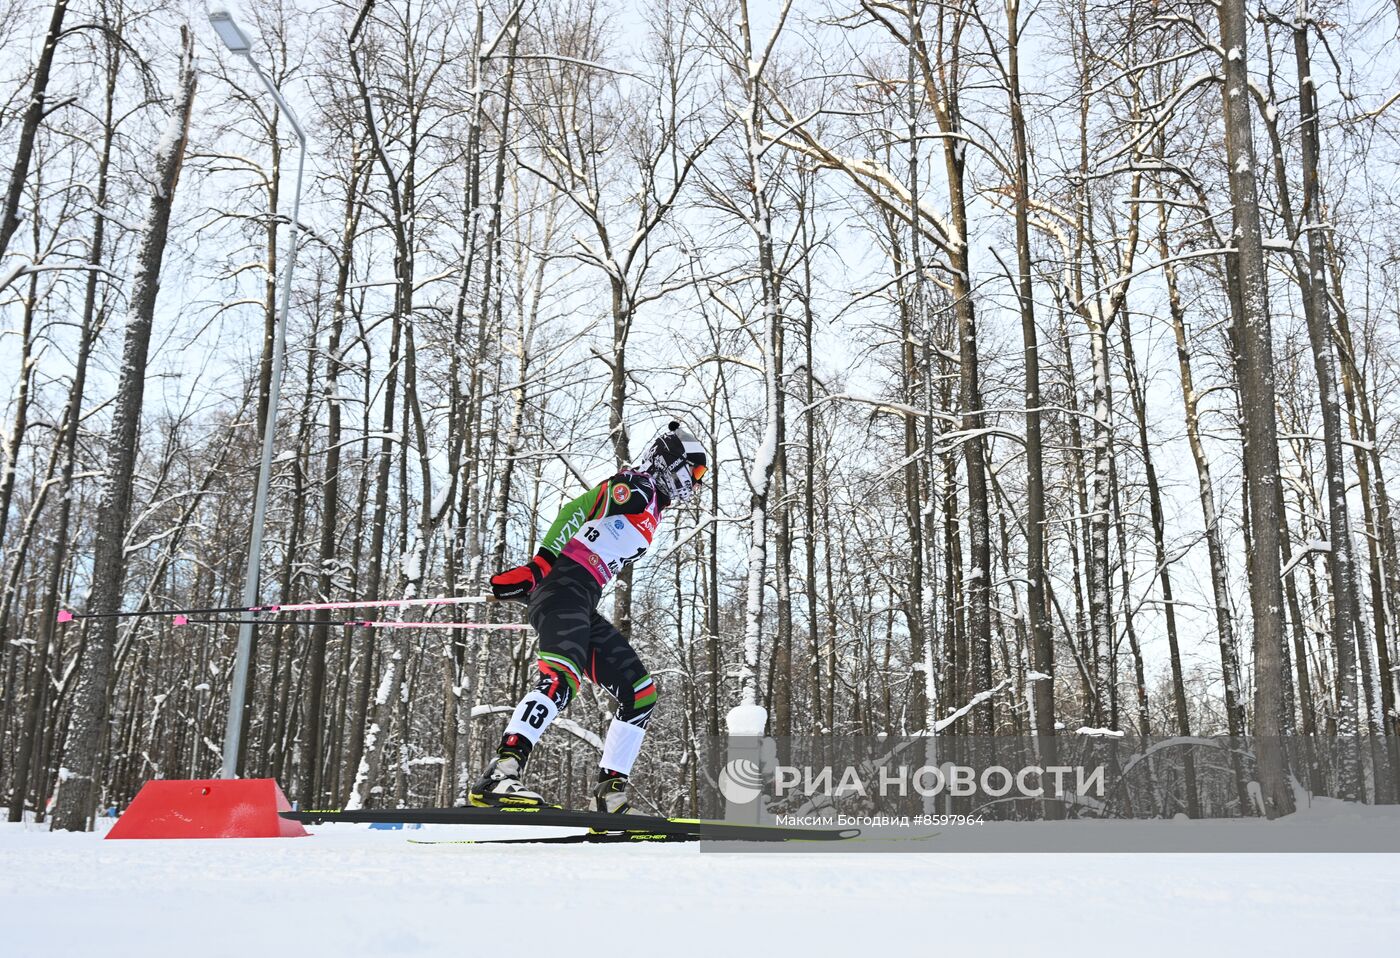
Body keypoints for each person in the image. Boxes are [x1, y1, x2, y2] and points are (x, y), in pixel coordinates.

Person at [470, 421, 708, 813]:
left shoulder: (653, 508)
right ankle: (501, 773)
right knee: (562, 676)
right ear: (671, 463)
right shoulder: (636, 488)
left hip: (581, 600)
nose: (694, 485)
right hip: (560, 589)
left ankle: (611, 795)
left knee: (640, 693)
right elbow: (577, 509)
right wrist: (539, 566)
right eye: (692, 473)